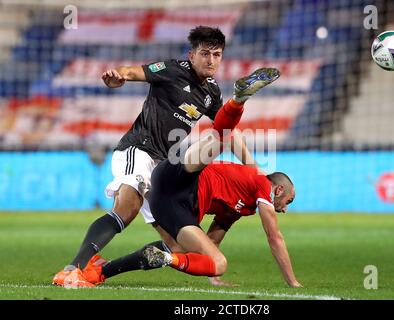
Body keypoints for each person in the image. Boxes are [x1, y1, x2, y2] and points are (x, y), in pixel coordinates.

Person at [52, 26, 260, 286]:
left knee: (179, 247)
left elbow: (228, 130)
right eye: (205, 53)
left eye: (216, 54)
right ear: (191, 54)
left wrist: (252, 168)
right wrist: (119, 77)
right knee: (126, 208)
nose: (211, 60)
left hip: (161, 168)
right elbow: (134, 72)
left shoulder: (212, 92)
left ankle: (100, 271)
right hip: (138, 150)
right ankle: (72, 268)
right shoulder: (172, 70)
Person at [65, 67, 302, 288]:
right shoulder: (262, 184)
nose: (285, 209)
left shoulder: (243, 206)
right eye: (288, 202)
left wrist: (214, 276)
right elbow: (275, 237)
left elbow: (212, 239)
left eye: (217, 55)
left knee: (199, 256)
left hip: (173, 206)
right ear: (278, 190)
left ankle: (103, 271)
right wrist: (293, 283)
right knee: (218, 141)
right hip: (177, 176)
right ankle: (238, 100)